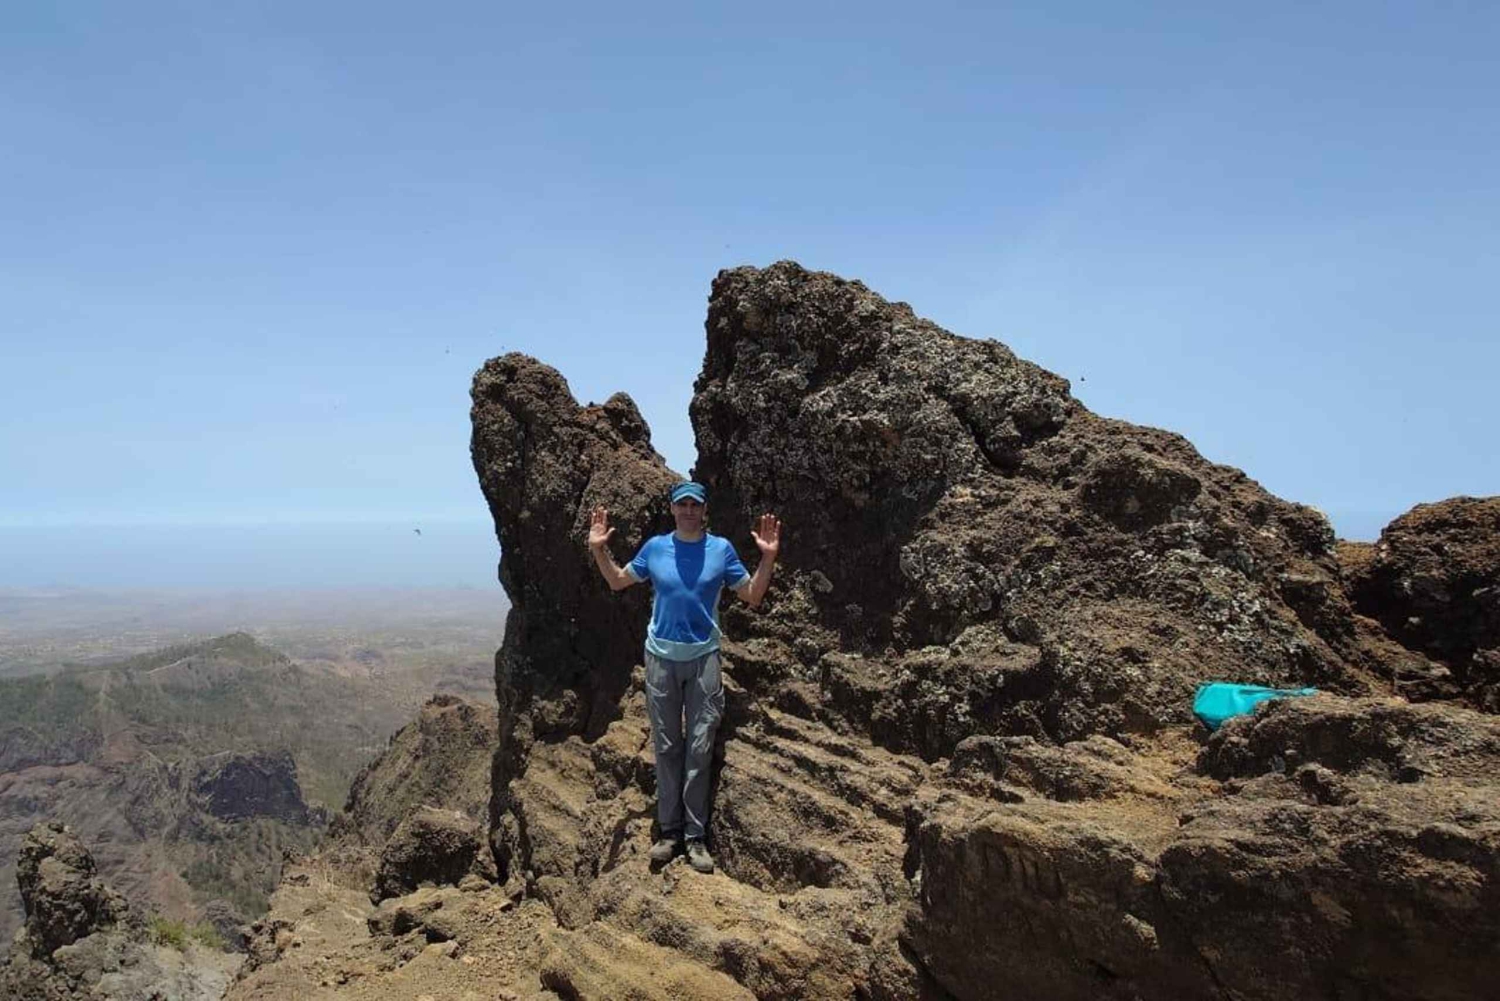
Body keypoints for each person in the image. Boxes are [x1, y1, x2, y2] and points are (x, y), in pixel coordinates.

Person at [588, 481, 780, 874]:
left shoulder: (721, 549)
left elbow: (752, 595)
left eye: (695, 504)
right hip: (660, 659)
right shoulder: (656, 547)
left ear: (705, 510)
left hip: (704, 660)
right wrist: (598, 550)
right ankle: (669, 832)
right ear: (673, 510)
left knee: (699, 747)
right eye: (682, 505)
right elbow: (618, 580)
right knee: (666, 746)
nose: (689, 510)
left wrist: (768, 559)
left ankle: (695, 837)